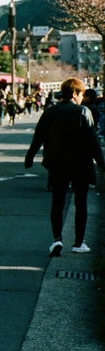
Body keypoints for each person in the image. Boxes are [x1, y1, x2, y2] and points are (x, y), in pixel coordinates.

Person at [25, 78, 105, 256]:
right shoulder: (83, 112)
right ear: (75, 93)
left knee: (57, 202)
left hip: (57, 163)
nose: (82, 98)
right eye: (81, 94)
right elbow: (92, 141)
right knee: (81, 203)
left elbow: (38, 136)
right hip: (80, 164)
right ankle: (78, 243)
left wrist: (30, 157)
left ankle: (57, 240)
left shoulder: (50, 111)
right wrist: (102, 163)